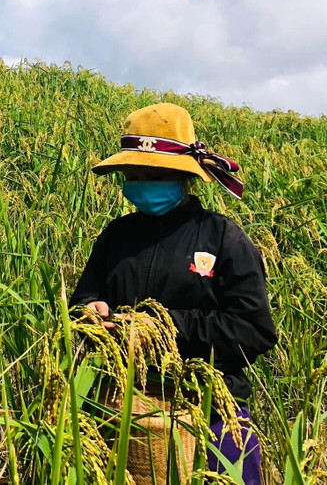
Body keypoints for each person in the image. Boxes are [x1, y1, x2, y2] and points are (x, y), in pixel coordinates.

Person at [71, 102, 277, 483]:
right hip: (127, 404)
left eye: (154, 172)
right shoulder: (116, 236)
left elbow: (255, 330)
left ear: (183, 177)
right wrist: (89, 311)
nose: (143, 180)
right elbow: (83, 299)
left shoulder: (222, 237)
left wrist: (163, 327)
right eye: (135, 172)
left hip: (212, 409)